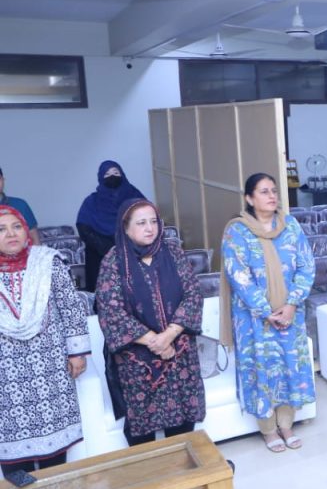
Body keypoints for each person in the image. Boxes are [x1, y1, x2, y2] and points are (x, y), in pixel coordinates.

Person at [96, 199, 204, 446]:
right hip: (137, 360)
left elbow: (192, 295)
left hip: (179, 353)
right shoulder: (113, 261)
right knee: (141, 430)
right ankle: (150, 478)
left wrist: (168, 336)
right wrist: (154, 341)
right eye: (141, 223)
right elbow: (111, 310)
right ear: (125, 228)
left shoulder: (173, 252)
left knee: (183, 424)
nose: (150, 228)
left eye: (154, 221)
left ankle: (184, 476)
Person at [221, 173, 315, 452]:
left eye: (274, 191)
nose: (272, 196)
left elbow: (306, 266)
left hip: (291, 314)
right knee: (261, 370)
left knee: (289, 366)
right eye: (264, 192)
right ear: (249, 198)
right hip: (254, 319)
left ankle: (287, 424)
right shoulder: (236, 231)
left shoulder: (291, 226)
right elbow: (238, 275)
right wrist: (266, 311)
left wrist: (291, 304)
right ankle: (268, 429)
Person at [0, 205, 89, 477]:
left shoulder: (48, 261)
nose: (11, 234)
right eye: (1, 229)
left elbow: (70, 308)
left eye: (16, 226)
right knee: (14, 461)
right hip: (6, 374)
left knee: (55, 456)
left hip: (49, 367)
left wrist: (76, 353)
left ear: (27, 231)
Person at [76, 160, 146, 291]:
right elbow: (83, 227)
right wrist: (107, 248)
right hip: (100, 255)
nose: (112, 176)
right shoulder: (92, 201)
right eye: (107, 174)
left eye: (116, 172)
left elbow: (146, 220)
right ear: (101, 178)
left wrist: (128, 244)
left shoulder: (135, 196)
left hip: (133, 252)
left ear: (122, 174)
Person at [0, 166, 40, 245]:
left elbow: (34, 239)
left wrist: (37, 257)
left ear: (3, 180)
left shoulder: (20, 205)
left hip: (22, 255)